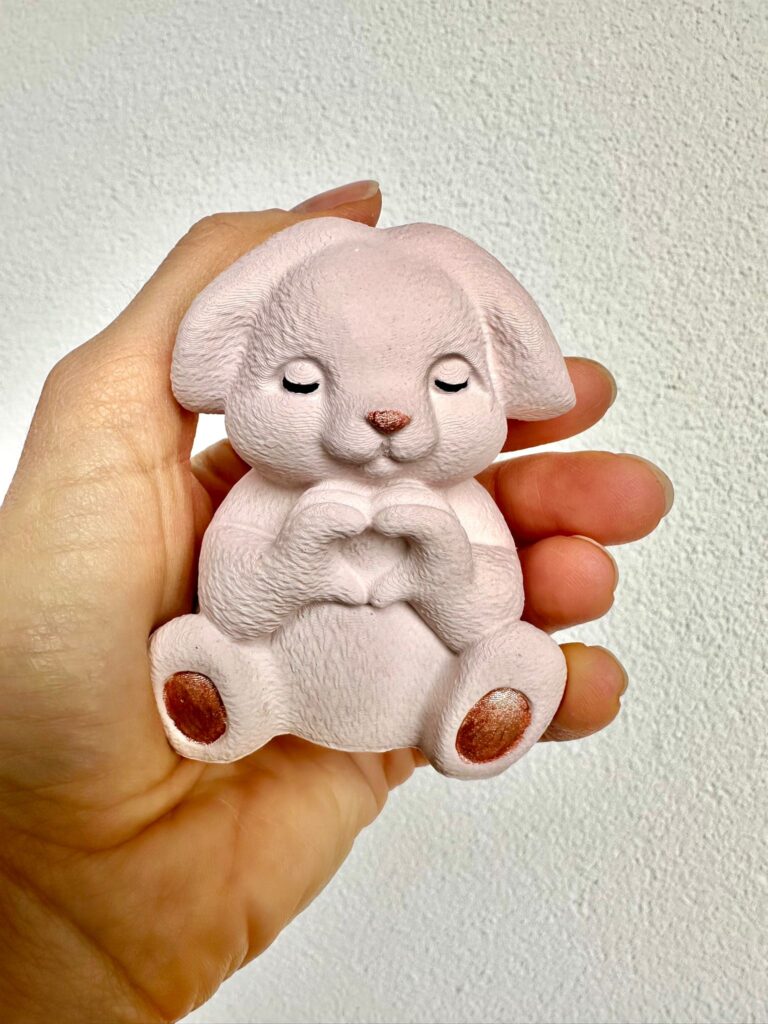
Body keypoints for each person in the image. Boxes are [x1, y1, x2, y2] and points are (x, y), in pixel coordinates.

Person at [0, 180, 673, 1022]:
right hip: (274, 688)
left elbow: (487, 606)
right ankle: (234, 695)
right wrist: (294, 559)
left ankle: (474, 700)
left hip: (424, 690)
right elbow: (237, 603)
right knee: (223, 641)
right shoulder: (263, 501)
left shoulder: (463, 508)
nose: (386, 416)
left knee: (510, 641)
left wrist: (441, 567)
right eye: (304, 382)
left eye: (448, 382)